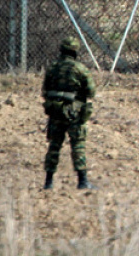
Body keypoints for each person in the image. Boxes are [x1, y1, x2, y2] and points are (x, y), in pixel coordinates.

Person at [42, 36, 97, 190]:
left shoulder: (52, 68)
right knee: (78, 146)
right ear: (75, 52)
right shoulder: (80, 69)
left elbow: (45, 90)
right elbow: (91, 91)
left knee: (54, 146)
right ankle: (82, 181)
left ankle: (48, 182)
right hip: (75, 114)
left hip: (56, 112)